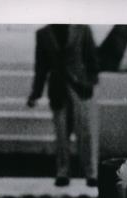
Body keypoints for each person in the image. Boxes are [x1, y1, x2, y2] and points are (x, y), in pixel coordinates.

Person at [27, 24, 99, 187]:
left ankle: (91, 173)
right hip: (57, 88)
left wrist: (90, 82)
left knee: (86, 131)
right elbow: (41, 66)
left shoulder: (82, 29)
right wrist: (35, 94)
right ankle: (63, 172)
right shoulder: (43, 34)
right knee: (61, 133)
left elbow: (91, 56)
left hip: (81, 88)